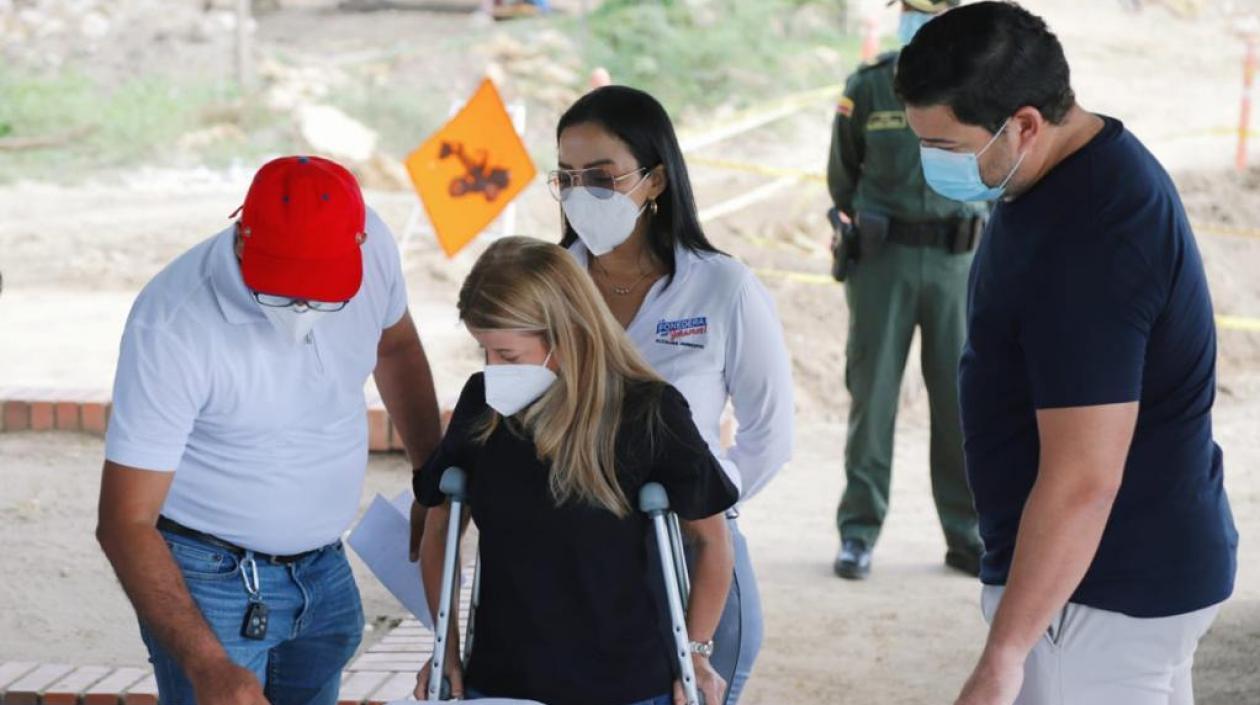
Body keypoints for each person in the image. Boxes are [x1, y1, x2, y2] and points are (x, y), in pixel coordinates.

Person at [895, 4, 1238, 704]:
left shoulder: (1094, 235)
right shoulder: (1056, 170)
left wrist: (1006, 652)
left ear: (1024, 122)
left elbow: (1085, 477)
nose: (932, 164)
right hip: (1120, 582)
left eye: (948, 147)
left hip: (1099, 596)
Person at [96, 155, 444, 705]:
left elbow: (395, 345)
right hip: (211, 580)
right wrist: (208, 664)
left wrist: (432, 474)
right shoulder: (173, 323)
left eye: (325, 294)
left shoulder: (372, 243)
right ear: (241, 239)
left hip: (324, 566)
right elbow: (125, 522)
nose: (302, 309)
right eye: (279, 292)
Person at [413, 236, 738, 705]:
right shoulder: (484, 404)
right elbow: (440, 524)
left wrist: (698, 650)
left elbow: (711, 540)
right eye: (483, 351)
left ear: (567, 334)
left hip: (627, 685)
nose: (491, 368)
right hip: (503, 681)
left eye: (507, 356)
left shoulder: (649, 412)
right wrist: (445, 647)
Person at [550, 85, 796, 704]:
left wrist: (708, 503)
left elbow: (770, 432)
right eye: (568, 178)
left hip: (692, 558)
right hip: (574, 554)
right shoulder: (547, 288)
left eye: (602, 178)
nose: (583, 195)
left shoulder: (721, 287)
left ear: (655, 179)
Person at [826, 0, 986, 581]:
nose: (922, 18)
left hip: (957, 265)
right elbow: (842, 177)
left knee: (961, 403)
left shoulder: (980, 85)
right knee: (873, 400)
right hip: (883, 264)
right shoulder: (870, 87)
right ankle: (858, 533)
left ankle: (967, 536)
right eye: (914, 7)